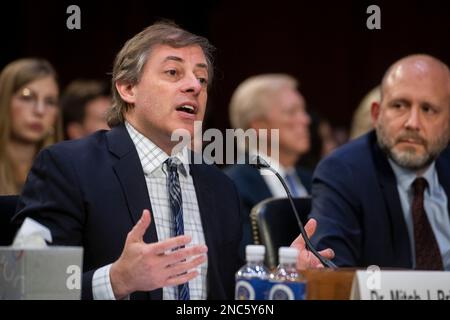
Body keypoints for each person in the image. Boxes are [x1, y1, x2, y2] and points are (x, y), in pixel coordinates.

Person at [13, 22, 333, 300]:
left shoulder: (219, 186)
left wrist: (280, 281)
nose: (194, 86)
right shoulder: (69, 167)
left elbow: (229, 292)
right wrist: (115, 280)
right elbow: (26, 287)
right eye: (173, 72)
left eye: (202, 79)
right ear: (127, 88)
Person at [310, 54, 450, 270]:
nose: (412, 123)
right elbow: (333, 269)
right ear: (376, 115)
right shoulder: (344, 171)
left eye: (428, 109)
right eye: (399, 106)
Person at [224, 74, 313, 258]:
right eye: (292, 112)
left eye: (303, 110)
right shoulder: (231, 186)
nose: (305, 120)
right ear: (259, 127)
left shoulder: (314, 180)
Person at [0, 58, 62, 195]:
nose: (40, 111)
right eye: (27, 97)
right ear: (3, 101)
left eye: (50, 102)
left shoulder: (66, 173)